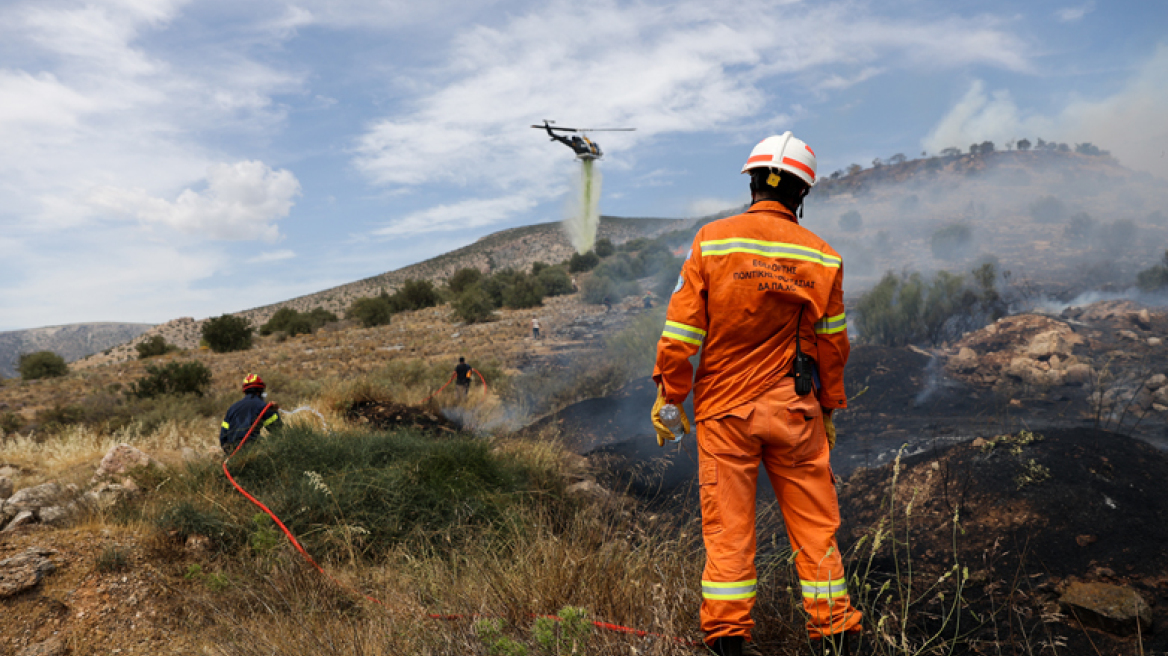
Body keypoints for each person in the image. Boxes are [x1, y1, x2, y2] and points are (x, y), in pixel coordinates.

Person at [651, 132, 859, 656]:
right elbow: (833, 345)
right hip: (795, 412)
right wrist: (829, 407)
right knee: (816, 531)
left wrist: (671, 397)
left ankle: (727, 640)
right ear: (802, 193)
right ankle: (836, 635)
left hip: (725, 415)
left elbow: (680, 335)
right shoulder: (823, 256)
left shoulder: (713, 241)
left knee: (729, 532)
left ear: (751, 183)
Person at [220, 374, 282, 455]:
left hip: (233, 452)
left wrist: (230, 452)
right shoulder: (263, 406)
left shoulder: (232, 408)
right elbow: (277, 430)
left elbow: (223, 437)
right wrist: (274, 411)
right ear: (260, 391)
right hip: (252, 450)